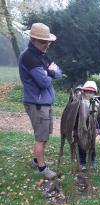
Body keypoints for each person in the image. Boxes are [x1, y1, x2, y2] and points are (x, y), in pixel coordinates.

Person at [19, 22, 62, 179]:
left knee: (43, 135)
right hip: (37, 104)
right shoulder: (29, 58)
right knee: (41, 137)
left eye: (48, 41)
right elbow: (44, 82)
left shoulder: (41, 55)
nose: (47, 45)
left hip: (44, 103)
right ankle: (42, 168)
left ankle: (37, 159)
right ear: (33, 39)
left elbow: (58, 72)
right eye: (43, 42)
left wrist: (49, 72)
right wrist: (49, 72)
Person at [78, 81, 100, 170]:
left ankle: (92, 161)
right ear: (84, 92)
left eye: (91, 92)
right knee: (81, 145)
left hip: (93, 128)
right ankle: (82, 162)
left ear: (95, 93)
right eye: (87, 92)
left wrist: (98, 128)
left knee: (91, 145)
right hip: (81, 127)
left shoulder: (97, 103)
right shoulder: (79, 102)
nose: (89, 94)